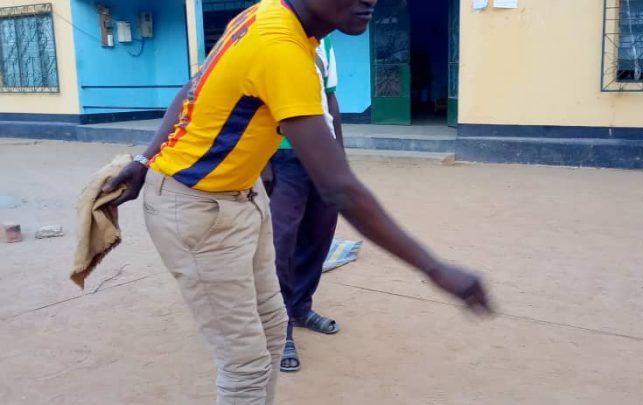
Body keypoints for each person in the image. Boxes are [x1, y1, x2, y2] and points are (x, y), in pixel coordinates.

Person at [103, 0, 493, 404]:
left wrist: (145, 158)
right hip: (196, 207)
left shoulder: (270, 18)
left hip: (241, 196)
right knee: (245, 366)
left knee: (273, 327)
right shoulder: (279, 46)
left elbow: (191, 89)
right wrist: (435, 268)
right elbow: (340, 189)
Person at [267, 36, 343, 373]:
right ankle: (278, 328)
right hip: (281, 156)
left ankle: (300, 308)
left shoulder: (324, 44)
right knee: (281, 242)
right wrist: (264, 162)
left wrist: (337, 156)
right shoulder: (269, 35)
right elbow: (255, 102)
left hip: (320, 153)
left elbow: (329, 98)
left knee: (319, 233)